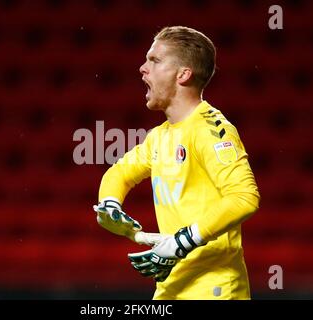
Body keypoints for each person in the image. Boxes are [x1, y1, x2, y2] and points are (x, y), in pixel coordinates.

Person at [93, 26, 260, 300]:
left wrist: (183, 241)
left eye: (155, 61)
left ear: (183, 74)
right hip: (173, 287)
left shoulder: (211, 129)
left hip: (214, 289)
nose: (142, 68)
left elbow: (244, 197)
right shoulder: (161, 137)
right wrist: (110, 204)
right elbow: (120, 172)